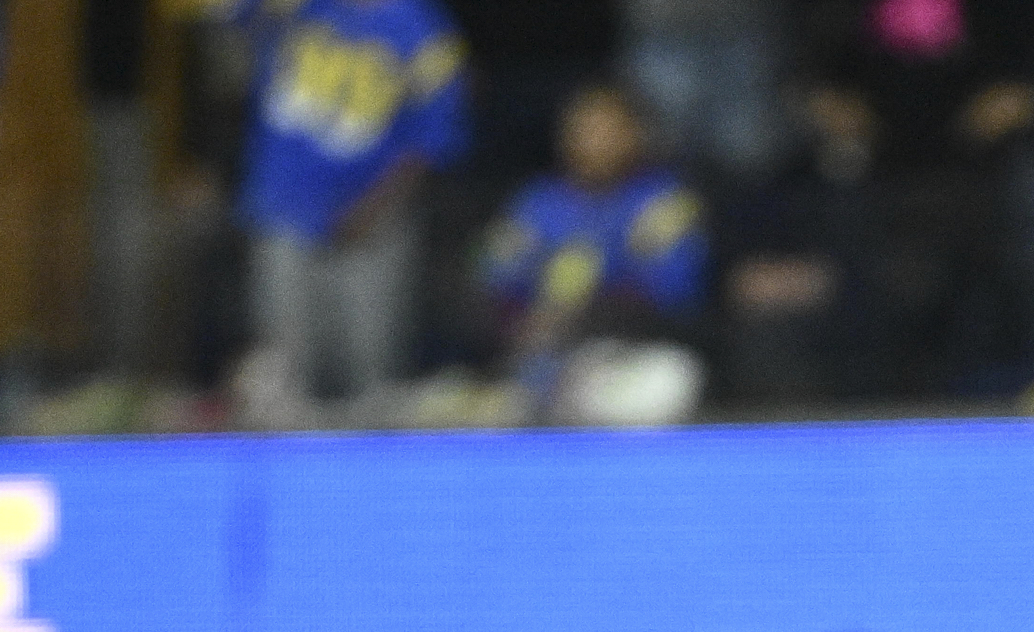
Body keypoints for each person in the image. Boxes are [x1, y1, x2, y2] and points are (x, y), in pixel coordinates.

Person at [229, 0, 469, 415]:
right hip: (285, 211)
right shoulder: (295, 7)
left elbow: (435, 136)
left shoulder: (425, 28)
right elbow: (225, 15)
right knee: (282, 378)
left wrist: (371, 209)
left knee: (370, 375)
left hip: (373, 225)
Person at [481, 83, 711, 418]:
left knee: (672, 377)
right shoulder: (537, 201)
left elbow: (675, 295)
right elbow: (490, 279)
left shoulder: (662, 201)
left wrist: (580, 317)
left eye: (606, 130)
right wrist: (523, 323)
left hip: (622, 358)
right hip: (535, 362)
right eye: (583, 130)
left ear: (636, 134)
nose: (593, 142)